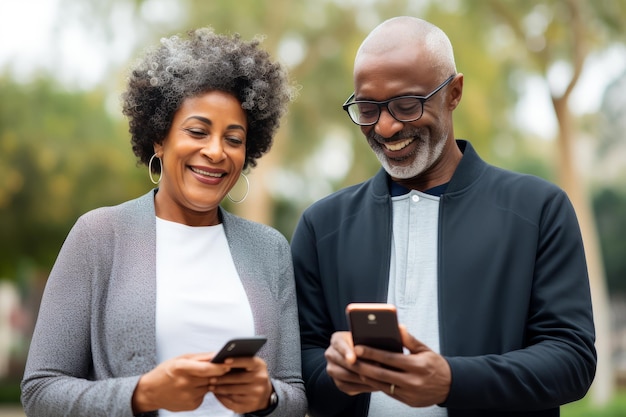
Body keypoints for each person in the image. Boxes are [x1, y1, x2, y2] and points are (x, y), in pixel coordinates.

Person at [291, 16, 596, 417]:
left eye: (406, 105)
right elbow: (299, 362)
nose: (385, 126)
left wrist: (451, 381)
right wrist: (336, 372)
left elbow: (572, 360)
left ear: (454, 93)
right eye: (367, 108)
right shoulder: (322, 226)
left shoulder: (537, 209)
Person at [21, 27, 306, 417]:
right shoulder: (100, 235)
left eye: (233, 139)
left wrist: (268, 398)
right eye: (197, 131)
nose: (215, 151)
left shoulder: (269, 249)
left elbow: (294, 392)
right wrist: (142, 394)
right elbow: (40, 391)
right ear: (159, 138)